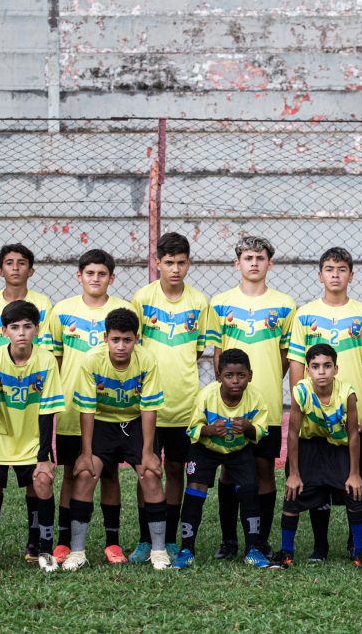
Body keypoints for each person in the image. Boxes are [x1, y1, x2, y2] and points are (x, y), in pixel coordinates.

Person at [287, 247, 362, 561]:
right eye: (329, 269)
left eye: (342, 269)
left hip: (348, 413)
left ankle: (356, 545)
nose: (335, 275)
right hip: (315, 416)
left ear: (351, 274)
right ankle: (319, 544)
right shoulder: (304, 314)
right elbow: (297, 366)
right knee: (316, 482)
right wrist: (300, 405)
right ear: (320, 274)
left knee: (353, 480)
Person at [44, 249, 137, 564]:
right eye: (90, 273)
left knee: (109, 475)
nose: (95, 279)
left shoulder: (124, 309)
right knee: (72, 472)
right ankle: (65, 542)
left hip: (110, 411)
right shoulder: (62, 311)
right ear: (79, 276)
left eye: (102, 274)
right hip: (73, 407)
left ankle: (113, 543)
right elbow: (54, 359)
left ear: (112, 277)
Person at [205, 236, 295, 558]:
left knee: (263, 469)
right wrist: (228, 389)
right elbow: (218, 353)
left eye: (260, 257)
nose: (254, 262)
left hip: (265, 404)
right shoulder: (220, 302)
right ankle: (228, 541)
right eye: (247, 257)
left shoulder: (285, 304)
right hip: (229, 404)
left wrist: (267, 382)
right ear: (237, 263)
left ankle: (259, 540)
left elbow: (286, 355)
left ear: (270, 263)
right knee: (230, 468)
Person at [62, 309, 169, 571]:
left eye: (127, 340)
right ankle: (77, 551)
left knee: (151, 474)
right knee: (86, 474)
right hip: (103, 423)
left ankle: (159, 550)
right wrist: (86, 452)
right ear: (105, 338)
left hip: (134, 423)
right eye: (116, 340)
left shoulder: (147, 361)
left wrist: (147, 451)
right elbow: (87, 409)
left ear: (137, 339)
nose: (121, 346)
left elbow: (148, 408)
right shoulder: (91, 360)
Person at [0, 243, 53, 563]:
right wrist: (2, 378)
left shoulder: (42, 304)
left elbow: (42, 355)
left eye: (22, 263)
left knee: (38, 481)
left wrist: (22, 378)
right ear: (0, 269)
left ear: (30, 270)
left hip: (30, 404)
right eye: (9, 263)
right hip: (1, 397)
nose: (15, 268)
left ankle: (36, 546)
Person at [132, 232, 212, 562]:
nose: (175, 269)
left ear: (188, 263)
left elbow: (196, 350)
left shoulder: (199, 302)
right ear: (157, 263)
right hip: (148, 404)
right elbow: (134, 348)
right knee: (146, 470)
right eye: (169, 263)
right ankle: (143, 539)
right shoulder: (143, 299)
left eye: (181, 263)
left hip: (184, 404)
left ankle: (169, 536)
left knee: (176, 469)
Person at [172, 349, 273, 569]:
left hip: (238, 450)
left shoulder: (255, 398)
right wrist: (209, 430)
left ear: (250, 376)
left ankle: (253, 549)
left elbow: (261, 433)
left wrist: (247, 427)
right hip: (206, 448)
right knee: (195, 491)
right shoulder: (207, 395)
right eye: (229, 376)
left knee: (248, 489)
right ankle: (186, 549)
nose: (235, 381)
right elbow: (192, 430)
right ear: (219, 376)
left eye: (241, 375)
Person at [274, 344, 362, 568]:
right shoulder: (301, 391)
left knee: (356, 492)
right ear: (308, 370)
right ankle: (285, 552)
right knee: (293, 493)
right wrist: (294, 473)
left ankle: (361, 552)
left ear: (336, 369)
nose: (322, 371)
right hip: (310, 446)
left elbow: (354, 435)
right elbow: (293, 433)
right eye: (315, 366)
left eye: (327, 366)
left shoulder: (347, 393)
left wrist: (355, 473)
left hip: (339, 447)